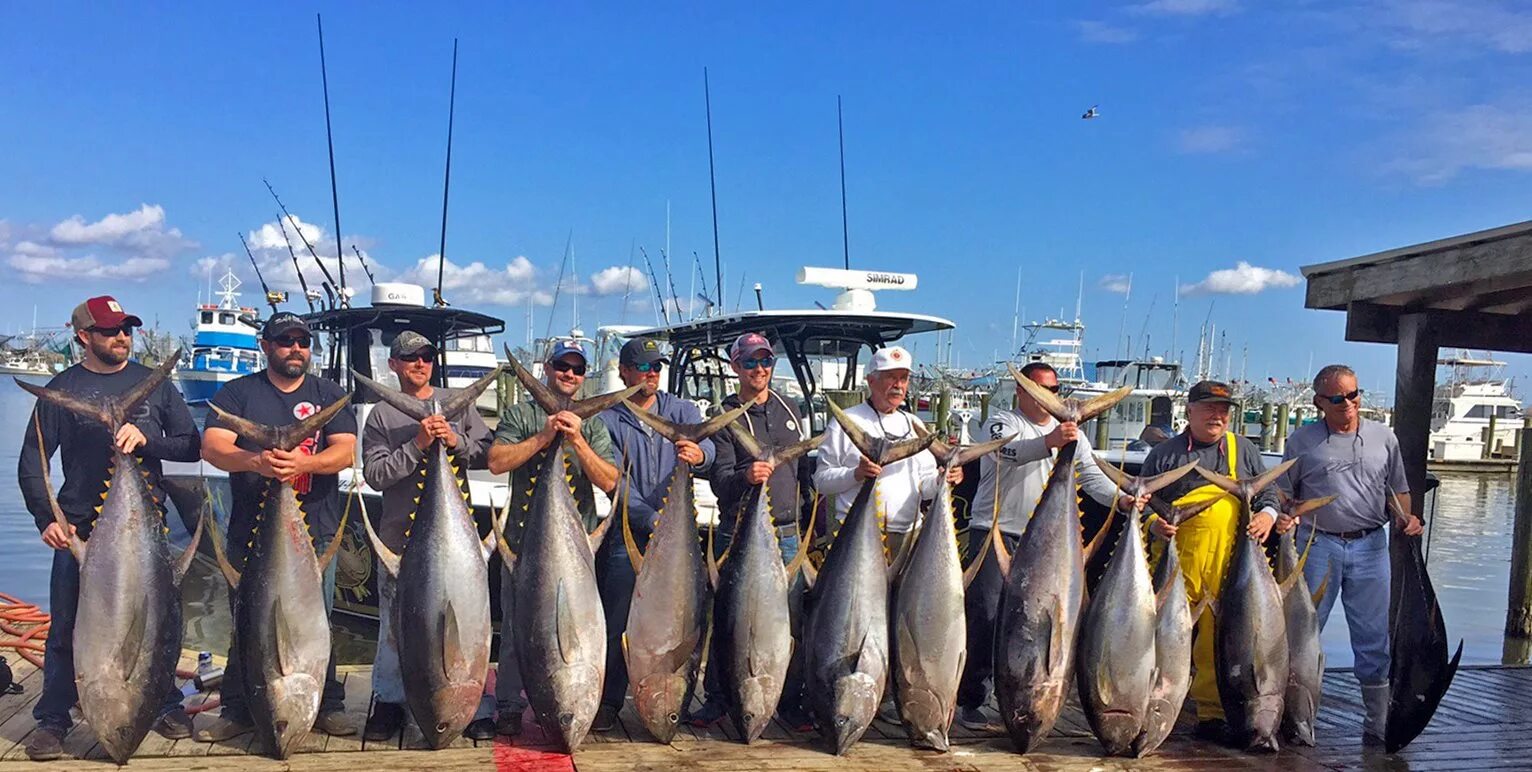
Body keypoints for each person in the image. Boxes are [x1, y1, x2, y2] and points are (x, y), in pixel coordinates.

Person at [17, 296, 201, 761]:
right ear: (84, 336)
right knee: (66, 627)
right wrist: (47, 519)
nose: (122, 337)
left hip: (147, 528)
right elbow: (31, 465)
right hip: (80, 530)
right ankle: (54, 719)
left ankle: (164, 701)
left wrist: (146, 439)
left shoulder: (154, 385)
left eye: (126, 329)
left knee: (158, 621)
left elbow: (191, 445)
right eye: (110, 330)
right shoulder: (64, 389)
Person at [195, 312, 358, 742]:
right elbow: (212, 446)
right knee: (246, 620)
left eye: (302, 341)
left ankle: (327, 704)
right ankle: (237, 708)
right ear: (265, 345)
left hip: (314, 531)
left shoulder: (329, 393)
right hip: (252, 530)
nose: (295, 348)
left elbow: (344, 453)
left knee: (316, 620)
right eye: (285, 341)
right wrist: (257, 462)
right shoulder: (237, 393)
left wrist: (302, 463)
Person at [954, 361, 1142, 731]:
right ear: (1021, 391)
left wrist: (1122, 500)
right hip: (996, 534)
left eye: (1053, 391)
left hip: (1048, 545)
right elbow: (1001, 452)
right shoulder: (1002, 423)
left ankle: (1033, 694)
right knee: (987, 615)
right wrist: (1049, 443)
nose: (1048, 397)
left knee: (1043, 625)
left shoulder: (1073, 435)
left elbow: (1091, 477)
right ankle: (973, 699)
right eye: (1039, 389)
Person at [359, 332, 496, 741]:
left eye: (426, 356)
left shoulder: (462, 405)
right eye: (409, 358)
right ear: (394, 365)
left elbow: (485, 453)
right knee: (394, 627)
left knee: (471, 623)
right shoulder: (381, 416)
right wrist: (419, 443)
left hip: (458, 547)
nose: (419, 363)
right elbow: (376, 474)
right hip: (400, 545)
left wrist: (454, 439)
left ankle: (475, 704)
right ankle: (388, 702)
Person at [1276, 364, 1421, 742]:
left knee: (1373, 636)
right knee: (1304, 634)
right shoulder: (1301, 441)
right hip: (1317, 542)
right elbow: (1281, 493)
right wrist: (1283, 515)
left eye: (1354, 394)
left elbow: (1398, 489)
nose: (1348, 403)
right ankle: (1297, 719)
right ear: (1319, 402)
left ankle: (1377, 723)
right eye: (1338, 398)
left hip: (1371, 543)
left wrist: (1408, 518)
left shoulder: (1383, 437)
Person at [485, 339, 619, 736]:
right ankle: (509, 705)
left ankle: (576, 695)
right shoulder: (521, 413)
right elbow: (495, 462)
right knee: (515, 628)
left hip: (576, 551)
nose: (570, 375)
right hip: (523, 546)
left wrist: (576, 439)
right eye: (563, 366)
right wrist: (545, 436)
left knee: (579, 629)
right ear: (548, 368)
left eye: (578, 369)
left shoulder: (592, 424)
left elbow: (611, 481)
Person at [1138, 379, 1280, 742]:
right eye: (1209, 409)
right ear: (1190, 411)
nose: (1217, 416)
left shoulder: (1242, 450)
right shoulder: (1165, 454)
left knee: (1221, 639)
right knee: (1165, 636)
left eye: (1223, 410)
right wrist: (1155, 525)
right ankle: (1151, 706)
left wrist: (1267, 515)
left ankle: (1213, 715)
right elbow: (1144, 506)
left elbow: (1269, 494)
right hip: (1176, 560)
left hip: (1228, 562)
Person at [689, 333, 814, 729]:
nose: (759, 368)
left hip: (788, 531)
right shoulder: (725, 416)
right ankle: (718, 697)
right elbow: (718, 479)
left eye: (765, 361)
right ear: (735, 367)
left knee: (787, 620)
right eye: (750, 362)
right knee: (727, 617)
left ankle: (790, 700)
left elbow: (803, 470)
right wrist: (747, 474)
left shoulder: (788, 408)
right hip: (740, 532)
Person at [594, 337, 714, 732]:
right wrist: (649, 518)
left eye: (657, 367)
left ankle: (670, 694)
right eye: (644, 367)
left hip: (675, 539)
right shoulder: (607, 417)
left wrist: (700, 455)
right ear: (624, 371)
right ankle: (609, 702)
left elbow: (710, 448)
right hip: (627, 535)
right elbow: (613, 480)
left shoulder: (682, 410)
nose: (652, 374)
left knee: (682, 624)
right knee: (617, 622)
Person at [813, 346, 960, 558]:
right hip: (858, 536)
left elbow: (925, 487)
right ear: (871, 381)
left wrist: (941, 480)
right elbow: (821, 482)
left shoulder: (914, 424)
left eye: (904, 378)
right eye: (890, 377)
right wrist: (856, 474)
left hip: (908, 537)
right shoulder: (845, 422)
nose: (898, 385)